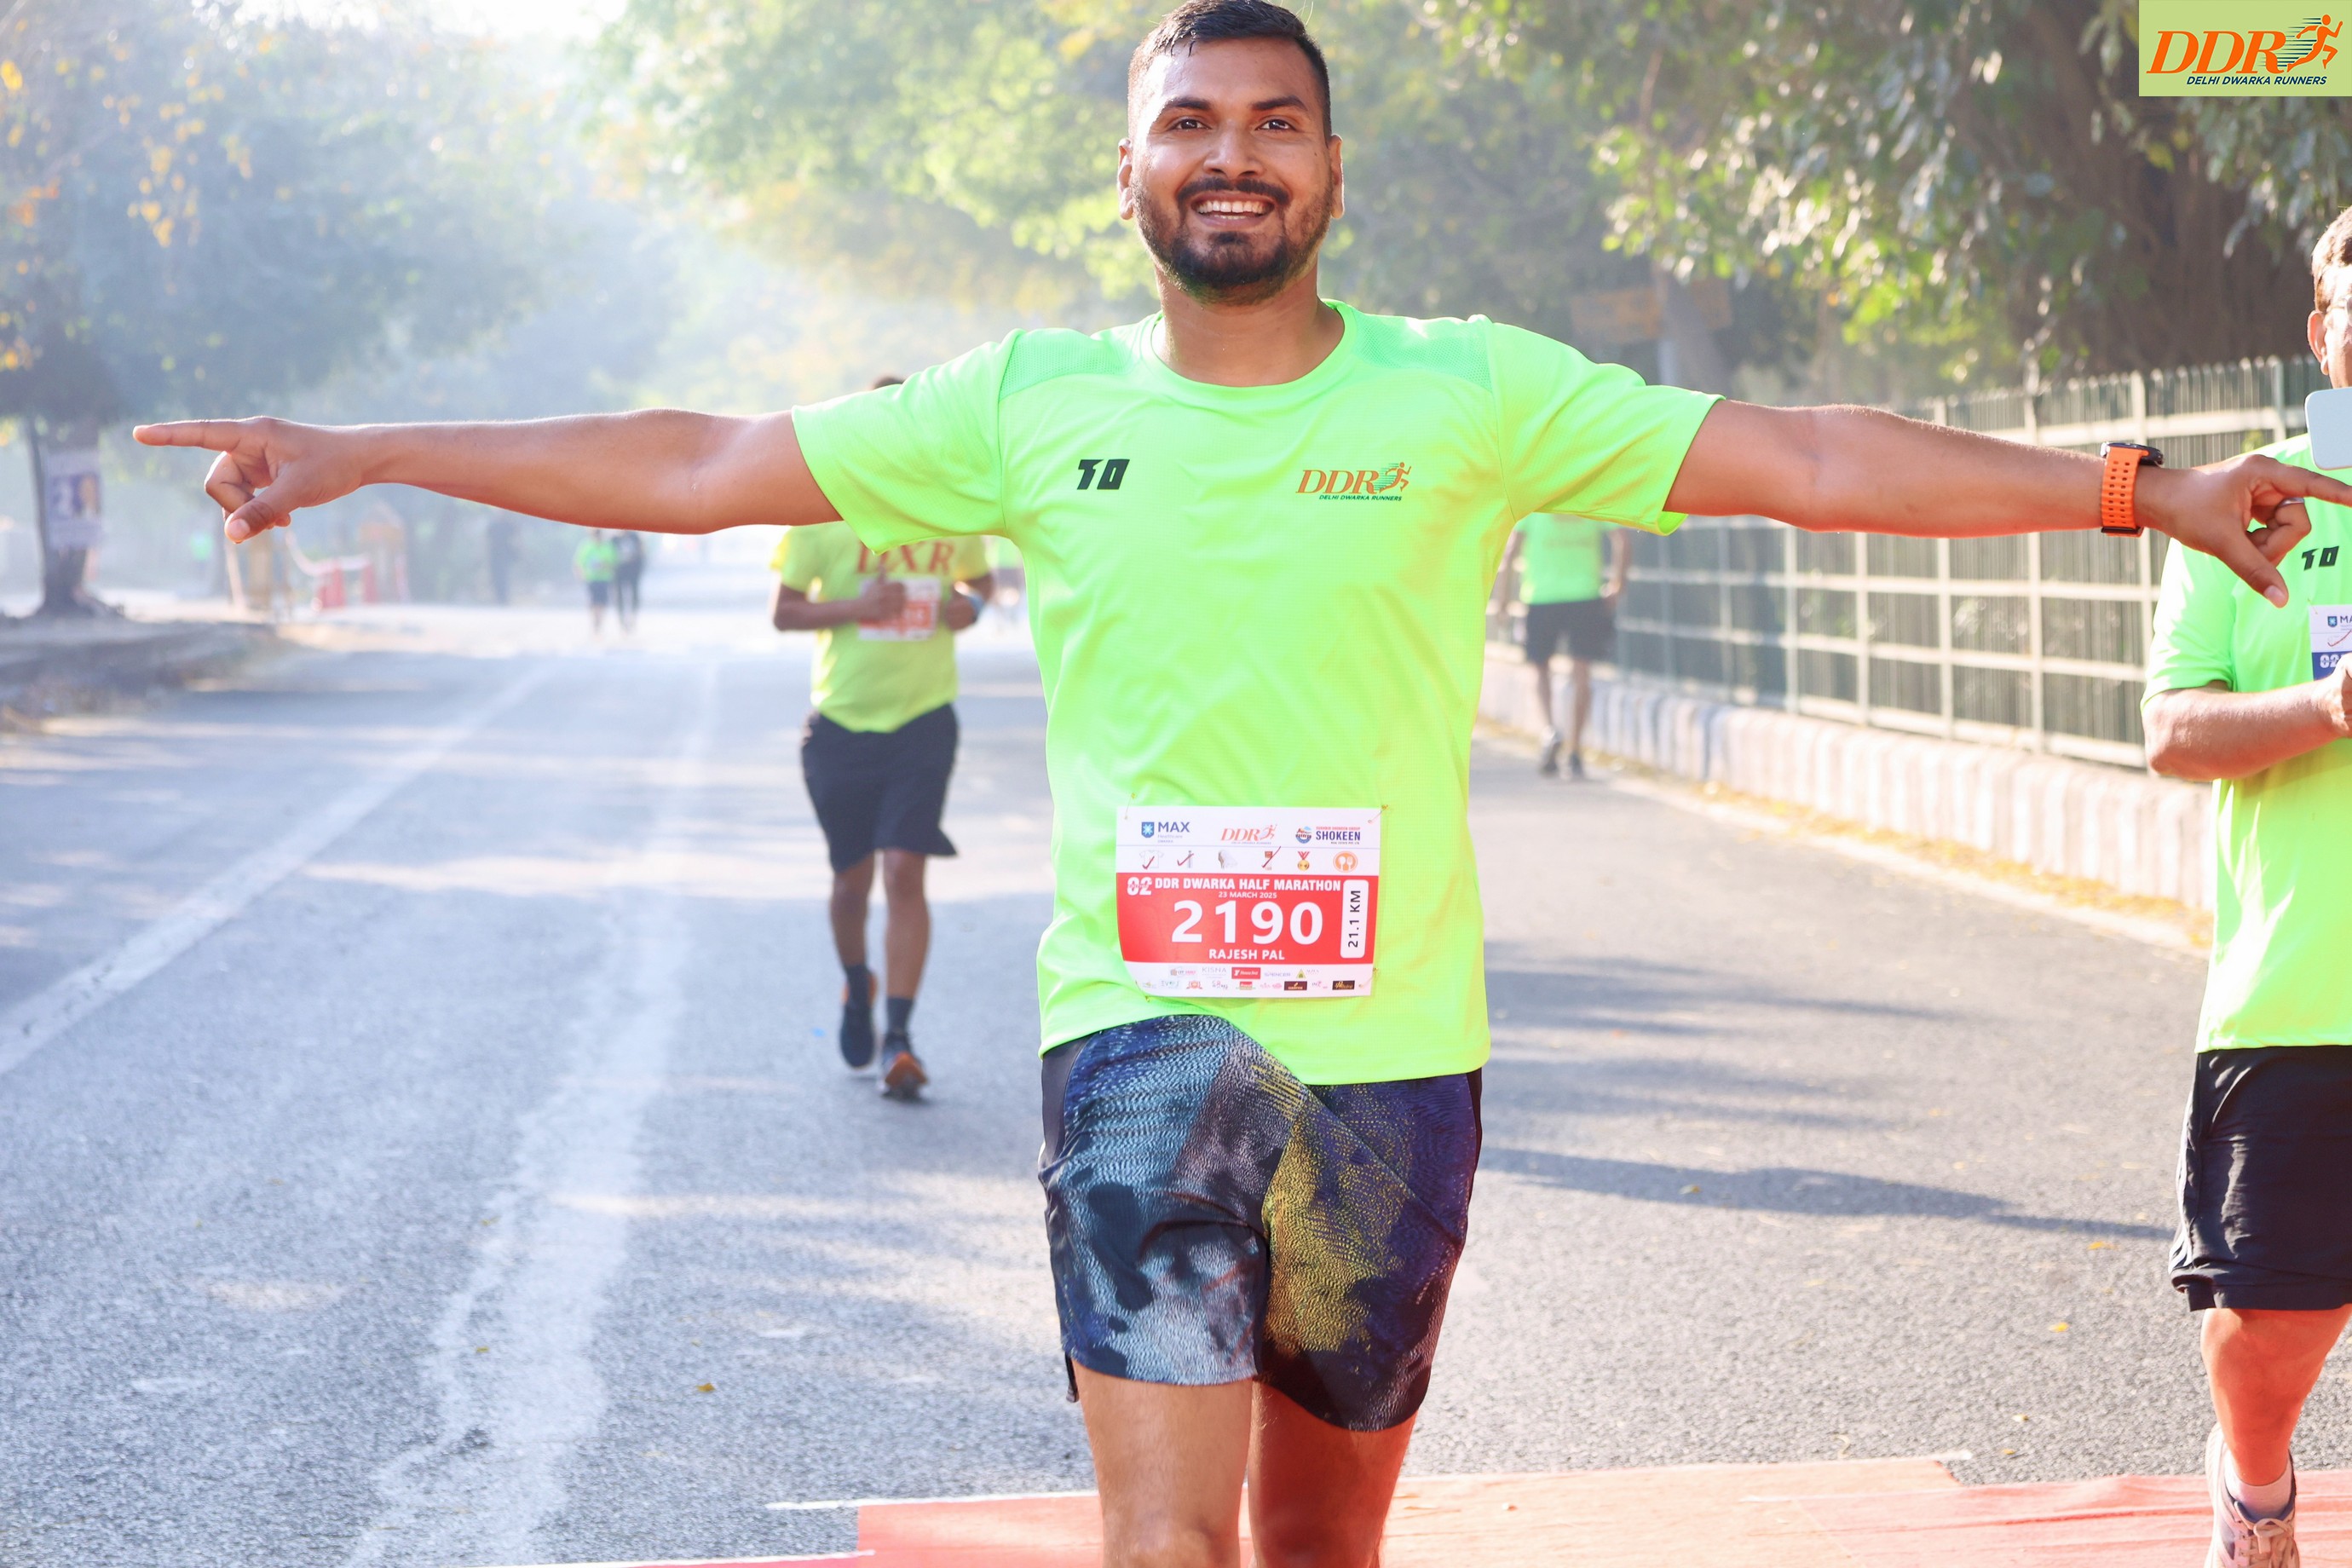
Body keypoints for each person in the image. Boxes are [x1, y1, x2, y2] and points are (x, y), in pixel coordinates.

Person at [136, 3, 2342, 1560]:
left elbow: (1815, 459)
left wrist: (2135, 485)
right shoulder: (1024, 403)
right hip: (1143, 1040)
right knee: (1167, 1545)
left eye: (1275, 121)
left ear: (1331, 170)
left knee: (1314, 1547)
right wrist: (365, 445)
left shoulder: (1474, 393)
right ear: (1129, 170)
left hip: (1396, 1061)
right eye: (1188, 119)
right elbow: (704, 458)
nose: (1231, 152)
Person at [2144, 203, 2352, 1568]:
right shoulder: (2253, 503)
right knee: (2273, 1323)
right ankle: (2258, 1492)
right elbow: (2172, 731)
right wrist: (2331, 707)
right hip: (2301, 990)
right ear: (2324, 331)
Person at [770, 383, 994, 1098]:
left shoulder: (949, 505)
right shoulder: (821, 508)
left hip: (923, 719)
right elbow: (784, 612)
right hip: (840, 724)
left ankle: (899, 1036)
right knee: (851, 881)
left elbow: (981, 587)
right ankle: (856, 982)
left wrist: (966, 608)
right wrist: (857, 606)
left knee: (904, 871)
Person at [1494, 514, 1629, 777]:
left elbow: (1510, 553)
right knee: (1581, 672)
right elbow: (1622, 539)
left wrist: (1503, 600)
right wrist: (1617, 584)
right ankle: (1575, 749)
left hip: (1541, 598)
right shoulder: (1589, 497)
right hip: (1585, 596)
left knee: (1539, 667)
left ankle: (1549, 730)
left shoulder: (1536, 504)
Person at [574, 529, 617, 633]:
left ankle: (599, 623)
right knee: (593, 602)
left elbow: (614, 563)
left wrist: (604, 566)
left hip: (604, 579)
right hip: (591, 579)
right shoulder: (586, 546)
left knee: (602, 603)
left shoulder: (608, 547)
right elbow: (579, 562)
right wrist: (580, 575)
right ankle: (595, 623)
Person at [613, 530, 646, 630]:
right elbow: (610, 555)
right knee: (619, 596)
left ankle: (633, 616)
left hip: (633, 571)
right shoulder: (614, 539)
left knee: (634, 594)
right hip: (619, 572)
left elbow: (641, 552)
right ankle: (622, 619)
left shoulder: (634, 537)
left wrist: (639, 568)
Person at [486, 514, 516, 606]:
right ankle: (498, 597)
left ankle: (504, 597)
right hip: (494, 554)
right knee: (495, 575)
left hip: (506, 554)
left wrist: (518, 551)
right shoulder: (492, 525)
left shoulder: (509, 525)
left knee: (504, 575)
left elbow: (515, 539)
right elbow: (486, 540)